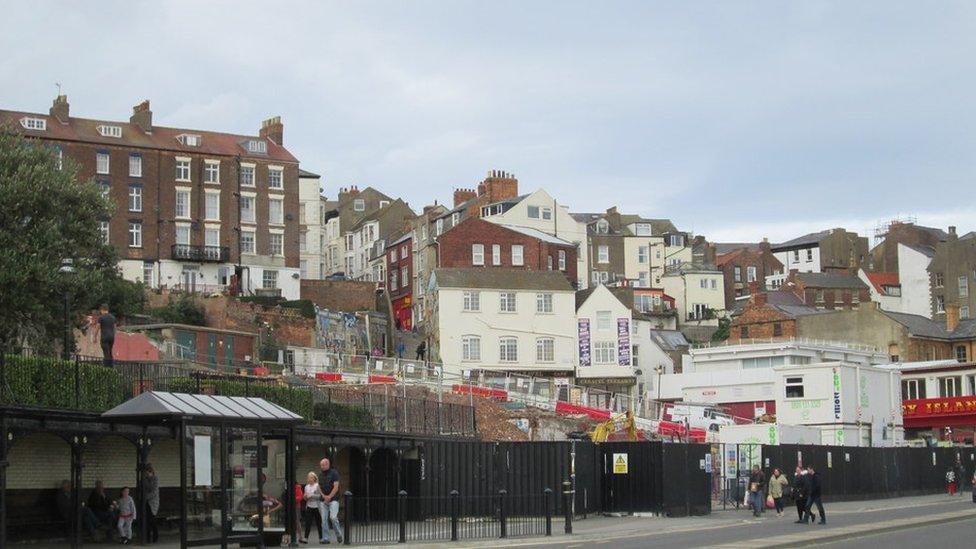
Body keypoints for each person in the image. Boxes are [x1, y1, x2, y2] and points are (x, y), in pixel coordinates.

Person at [319, 457, 343, 544]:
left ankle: (339, 534)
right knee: (324, 520)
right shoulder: (320, 475)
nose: (321, 466)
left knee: (333, 518)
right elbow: (319, 487)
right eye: (320, 465)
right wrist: (323, 496)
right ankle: (326, 538)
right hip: (323, 500)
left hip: (333, 499)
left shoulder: (334, 473)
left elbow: (336, 487)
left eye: (322, 465)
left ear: (327, 464)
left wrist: (329, 496)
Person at [303, 472, 323, 543]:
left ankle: (321, 538)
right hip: (309, 506)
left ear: (314, 478)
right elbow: (305, 497)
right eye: (308, 477)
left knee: (318, 523)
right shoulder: (306, 487)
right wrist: (305, 497)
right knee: (308, 522)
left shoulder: (317, 486)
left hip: (317, 507)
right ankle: (305, 538)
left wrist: (312, 496)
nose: (310, 479)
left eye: (311, 477)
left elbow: (320, 496)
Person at [143, 464, 160, 544]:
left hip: (153, 502)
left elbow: (154, 491)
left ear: (151, 472)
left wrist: (146, 497)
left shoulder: (155, 479)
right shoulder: (145, 479)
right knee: (147, 520)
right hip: (146, 502)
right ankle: (148, 537)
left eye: (148, 473)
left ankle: (155, 536)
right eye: (146, 473)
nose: (147, 475)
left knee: (152, 520)